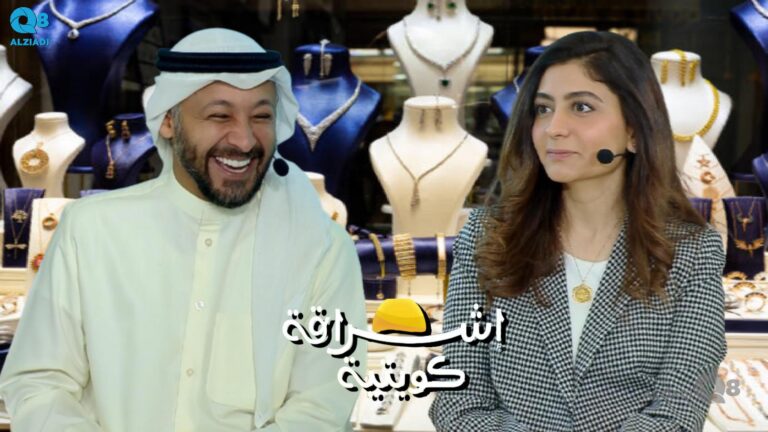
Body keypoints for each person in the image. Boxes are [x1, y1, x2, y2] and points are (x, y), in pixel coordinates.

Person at [0, 28, 366, 431]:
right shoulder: (90, 231)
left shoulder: (320, 247)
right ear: (169, 122)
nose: (245, 140)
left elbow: (320, 407)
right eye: (220, 116)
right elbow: (40, 382)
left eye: (261, 116)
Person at [429, 31, 726, 431]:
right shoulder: (486, 238)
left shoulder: (693, 251)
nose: (554, 128)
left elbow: (678, 413)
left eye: (582, 107)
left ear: (634, 131)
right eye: (543, 109)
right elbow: (457, 402)